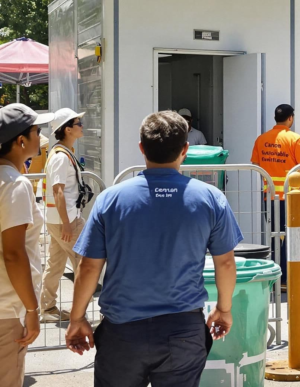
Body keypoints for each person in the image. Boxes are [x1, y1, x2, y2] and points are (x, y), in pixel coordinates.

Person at [65, 111, 243, 385]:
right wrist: (224, 308)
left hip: (122, 332)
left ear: (141, 148)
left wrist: (77, 317)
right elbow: (226, 263)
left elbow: (89, 266)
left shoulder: (110, 199)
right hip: (183, 330)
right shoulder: (210, 198)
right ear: (185, 149)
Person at [0, 104, 52, 387]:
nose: (41, 137)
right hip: (6, 309)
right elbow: (13, 253)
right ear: (20, 141)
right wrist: (32, 311)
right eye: (36, 131)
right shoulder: (14, 184)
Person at [251, 104, 300, 289]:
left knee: (274, 236)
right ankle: (282, 279)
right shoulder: (295, 139)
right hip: (289, 198)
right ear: (291, 118)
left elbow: (256, 165)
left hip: (269, 195)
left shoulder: (261, 139)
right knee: (288, 236)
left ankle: (274, 277)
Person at [40, 108, 86, 324]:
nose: (81, 126)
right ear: (67, 129)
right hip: (65, 220)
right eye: (78, 123)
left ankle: (48, 308)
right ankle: (80, 313)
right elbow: (58, 190)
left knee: (56, 263)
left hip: (59, 219)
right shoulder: (60, 156)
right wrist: (67, 224)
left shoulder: (62, 152)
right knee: (83, 264)